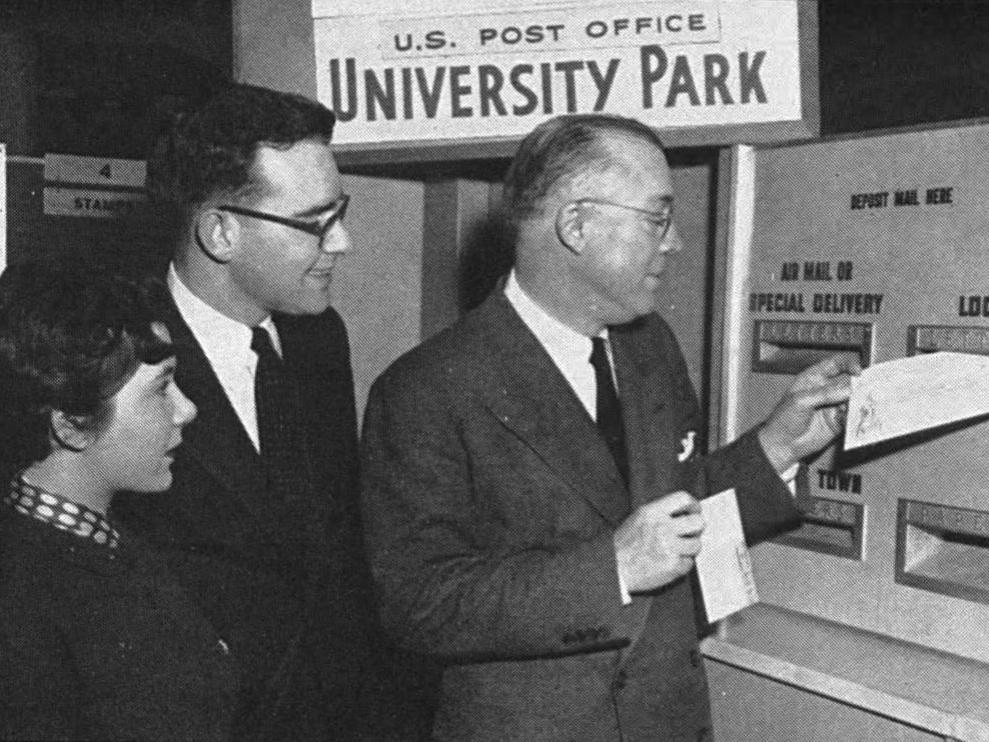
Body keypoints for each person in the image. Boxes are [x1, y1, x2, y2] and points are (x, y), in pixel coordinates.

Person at [360, 113, 858, 742]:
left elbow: (674, 510)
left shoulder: (650, 347)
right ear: (575, 224)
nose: (675, 241)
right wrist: (611, 570)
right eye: (657, 218)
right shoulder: (425, 389)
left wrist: (778, 445)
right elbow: (419, 604)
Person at [112, 84, 432, 741]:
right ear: (220, 231)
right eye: (315, 221)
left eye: (337, 212)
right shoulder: (118, 358)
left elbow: (330, 556)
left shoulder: (320, 337)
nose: (341, 241)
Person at [0, 260, 236, 741]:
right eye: (161, 388)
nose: (187, 410)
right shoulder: (23, 594)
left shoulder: (112, 542)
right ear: (71, 425)